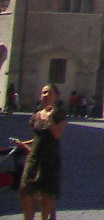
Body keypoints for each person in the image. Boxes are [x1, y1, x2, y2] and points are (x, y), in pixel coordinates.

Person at [14, 82, 65, 220]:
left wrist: (49, 119)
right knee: (25, 190)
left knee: (46, 194)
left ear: (56, 96)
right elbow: (37, 138)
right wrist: (22, 143)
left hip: (50, 158)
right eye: (44, 92)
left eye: (49, 92)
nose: (46, 95)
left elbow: (56, 134)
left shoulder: (59, 115)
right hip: (34, 157)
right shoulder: (36, 116)